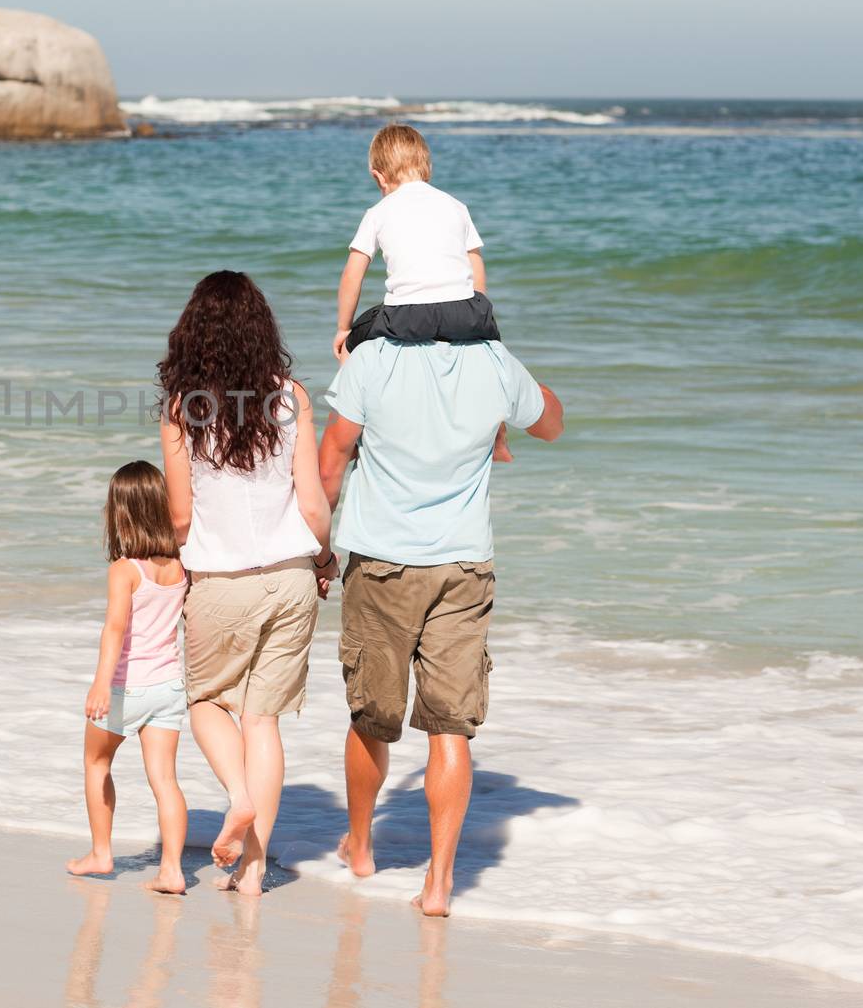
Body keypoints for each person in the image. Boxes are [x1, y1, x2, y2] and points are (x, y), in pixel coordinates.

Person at [317, 334, 564, 917]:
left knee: (371, 716)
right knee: (450, 725)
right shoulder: (492, 360)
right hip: (463, 566)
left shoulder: (372, 359)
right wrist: (512, 376)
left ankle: (360, 848)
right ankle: (439, 883)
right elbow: (552, 423)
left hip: (380, 565)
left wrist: (318, 550)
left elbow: (330, 463)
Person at [158, 271, 336, 897]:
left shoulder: (183, 410)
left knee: (207, 701)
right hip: (290, 577)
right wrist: (323, 558)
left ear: (193, 334)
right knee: (263, 722)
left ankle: (237, 799)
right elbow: (313, 504)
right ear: (263, 332)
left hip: (221, 579)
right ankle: (255, 871)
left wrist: (178, 564)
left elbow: (180, 515)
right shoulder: (291, 398)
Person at [333, 123, 512, 462]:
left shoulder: (378, 212)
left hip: (407, 315)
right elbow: (475, 262)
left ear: (378, 177)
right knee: (493, 357)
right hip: (465, 311)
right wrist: (479, 309)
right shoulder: (456, 206)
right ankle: (498, 437)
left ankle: (354, 435)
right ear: (427, 168)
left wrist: (343, 329)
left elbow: (352, 275)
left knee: (354, 345)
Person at [67, 460, 190, 895]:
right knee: (165, 780)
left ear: (120, 513)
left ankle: (101, 853)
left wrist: (102, 683)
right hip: (169, 687)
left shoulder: (125, 569)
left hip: (126, 688)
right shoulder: (179, 567)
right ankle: (172, 870)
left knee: (96, 762)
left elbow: (115, 629)